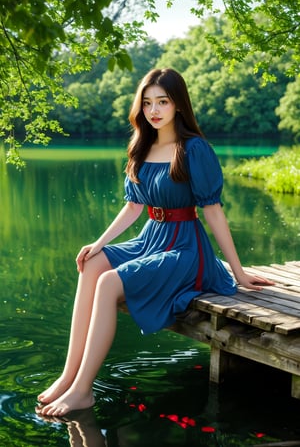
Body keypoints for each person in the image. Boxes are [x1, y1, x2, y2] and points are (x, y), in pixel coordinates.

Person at [36, 68, 274, 417]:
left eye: (163, 101)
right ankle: (68, 376)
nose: (154, 110)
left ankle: (83, 391)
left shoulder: (195, 149)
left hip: (185, 247)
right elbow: (134, 206)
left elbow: (213, 212)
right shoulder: (141, 145)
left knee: (109, 282)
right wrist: (98, 242)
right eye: (147, 103)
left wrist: (238, 273)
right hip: (151, 237)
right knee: (93, 264)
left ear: (178, 104)